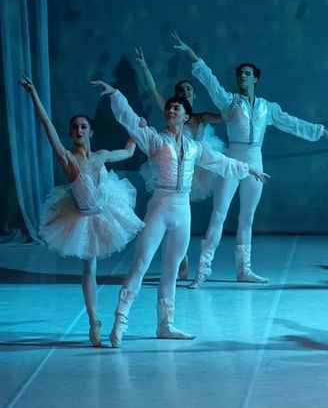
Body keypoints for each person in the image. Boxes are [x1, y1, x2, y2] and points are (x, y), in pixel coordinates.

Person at [91, 80, 268, 347]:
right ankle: (120, 321)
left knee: (172, 269)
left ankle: (165, 324)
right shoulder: (154, 139)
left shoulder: (195, 147)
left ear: (186, 116)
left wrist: (249, 169)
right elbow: (129, 120)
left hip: (182, 211)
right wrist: (116, 94)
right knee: (141, 263)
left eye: (177, 109)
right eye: (169, 108)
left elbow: (221, 162)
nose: (171, 111)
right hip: (160, 207)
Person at [173, 33, 328, 287]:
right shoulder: (230, 102)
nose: (243, 76)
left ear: (255, 79)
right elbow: (210, 81)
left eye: (247, 73)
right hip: (232, 161)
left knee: (247, 217)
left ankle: (244, 269)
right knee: (219, 214)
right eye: (240, 74)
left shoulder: (267, 107)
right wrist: (191, 54)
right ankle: (203, 270)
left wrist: (320, 131)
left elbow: (291, 123)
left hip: (255, 162)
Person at [20, 76, 143, 347]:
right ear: (70, 133)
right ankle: (93, 320)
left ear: (90, 132)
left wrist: (137, 127)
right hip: (82, 218)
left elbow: (127, 152)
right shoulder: (68, 159)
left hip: (107, 211)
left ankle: (96, 320)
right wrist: (34, 94)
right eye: (74, 127)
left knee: (95, 265)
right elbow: (47, 125)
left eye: (83, 126)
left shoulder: (101, 155)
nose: (79, 130)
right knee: (89, 267)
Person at [133, 46, 225, 280]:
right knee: (170, 214)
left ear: (194, 95)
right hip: (172, 167)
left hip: (197, 168)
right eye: (180, 91)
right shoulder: (173, 111)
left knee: (184, 216)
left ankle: (181, 256)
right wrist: (144, 67)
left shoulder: (201, 117)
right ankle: (180, 258)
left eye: (188, 90)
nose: (184, 93)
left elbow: (226, 114)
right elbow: (154, 90)